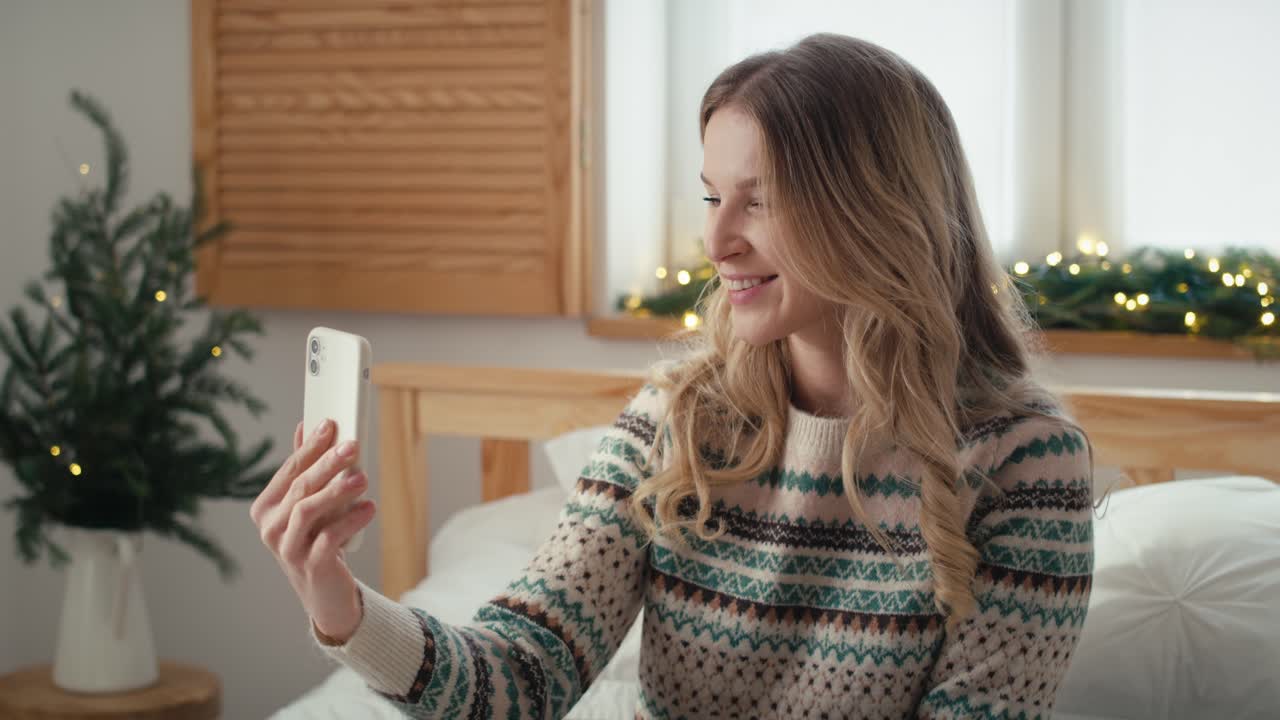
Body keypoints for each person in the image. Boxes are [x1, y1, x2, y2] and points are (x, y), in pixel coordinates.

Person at [251, 33, 1096, 719]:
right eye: (710, 198)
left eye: (759, 201)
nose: (717, 241)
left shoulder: (1026, 460)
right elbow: (518, 677)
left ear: (873, 207)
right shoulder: (678, 422)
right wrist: (340, 604)